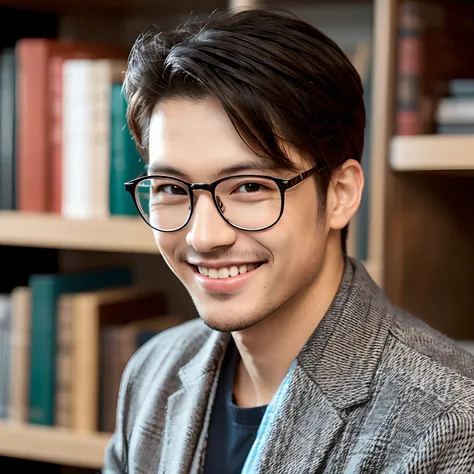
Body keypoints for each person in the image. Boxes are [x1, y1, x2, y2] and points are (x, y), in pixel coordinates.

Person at [103, 8, 474, 474]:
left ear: (340, 194)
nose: (204, 236)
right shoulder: (152, 371)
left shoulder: (447, 420)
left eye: (250, 187)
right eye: (172, 190)